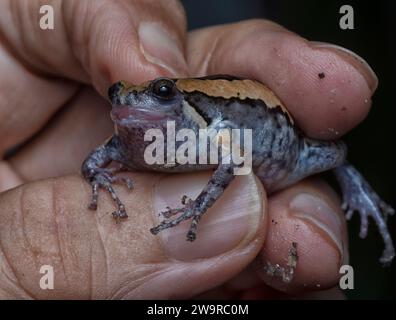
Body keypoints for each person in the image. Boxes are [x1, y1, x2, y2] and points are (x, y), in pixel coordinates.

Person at [0, 0, 378, 299]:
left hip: (285, 147)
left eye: (161, 94)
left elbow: (232, 157)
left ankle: (359, 190)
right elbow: (93, 162)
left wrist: (199, 207)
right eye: (119, 95)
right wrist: (97, 177)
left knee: (335, 153)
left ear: (177, 102)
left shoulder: (205, 133)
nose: (131, 102)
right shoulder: (127, 140)